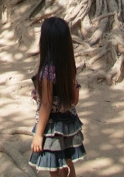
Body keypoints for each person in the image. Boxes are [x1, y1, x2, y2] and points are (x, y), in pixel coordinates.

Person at [29, 17, 86, 176]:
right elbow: (73, 100)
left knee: (54, 167)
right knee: (67, 163)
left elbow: (46, 105)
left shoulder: (47, 71)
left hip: (52, 127)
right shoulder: (68, 65)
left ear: (45, 41)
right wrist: (41, 94)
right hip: (69, 124)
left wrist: (39, 135)